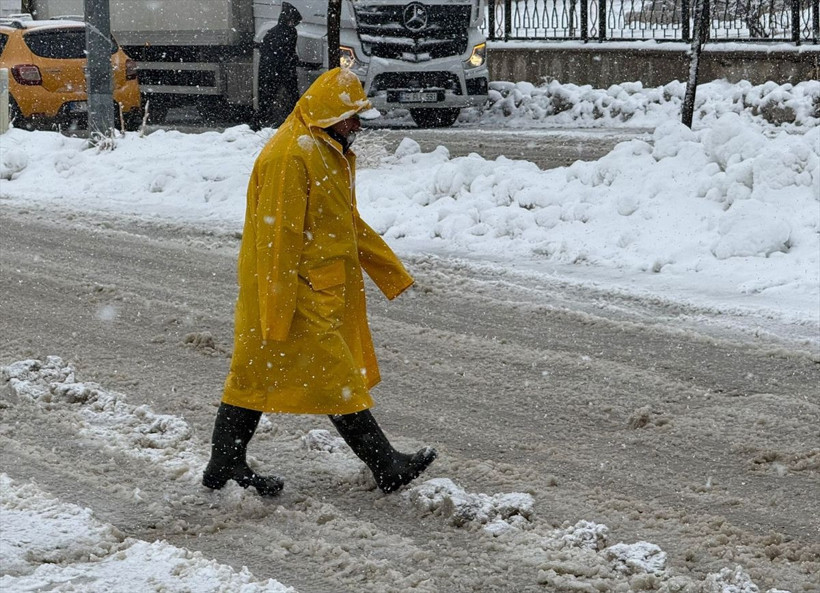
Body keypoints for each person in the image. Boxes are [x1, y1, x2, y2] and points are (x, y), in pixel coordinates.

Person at [203, 67, 437, 497]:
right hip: (290, 291)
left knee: (255, 374)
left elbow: (345, 223)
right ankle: (386, 465)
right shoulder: (290, 156)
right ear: (329, 113)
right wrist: (276, 310)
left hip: (314, 289)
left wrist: (390, 271)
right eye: (351, 116)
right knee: (335, 378)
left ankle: (224, 462)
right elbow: (277, 240)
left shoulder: (326, 150)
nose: (357, 125)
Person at [256, 2, 303, 127]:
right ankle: (295, 118)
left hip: (273, 69)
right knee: (291, 95)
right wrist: (292, 61)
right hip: (282, 69)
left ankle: (263, 120)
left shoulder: (273, 32)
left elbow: (267, 50)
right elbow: (288, 51)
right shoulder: (290, 32)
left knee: (268, 95)